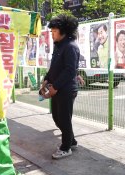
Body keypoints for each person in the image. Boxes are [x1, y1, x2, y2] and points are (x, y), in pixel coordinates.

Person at [41, 14, 80, 159]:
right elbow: (55, 67)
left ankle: (65, 148)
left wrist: (55, 87)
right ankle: (72, 141)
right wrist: (46, 80)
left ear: (64, 31)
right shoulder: (59, 46)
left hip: (66, 89)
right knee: (58, 117)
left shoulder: (70, 47)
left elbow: (70, 70)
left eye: (54, 31)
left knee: (63, 118)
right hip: (57, 88)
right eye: (51, 31)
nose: (52, 34)